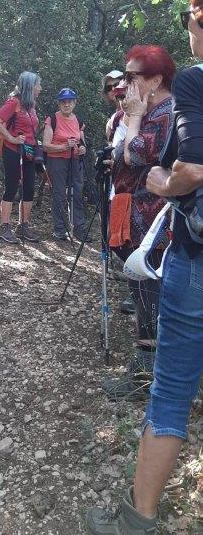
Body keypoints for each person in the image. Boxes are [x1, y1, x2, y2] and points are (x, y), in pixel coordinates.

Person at [86, 0, 203, 535]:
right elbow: (117, 152)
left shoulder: (183, 96)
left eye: (133, 74)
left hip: (177, 238)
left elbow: (150, 161)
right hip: (145, 223)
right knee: (145, 308)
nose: (125, 83)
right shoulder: (159, 105)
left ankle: (136, 525)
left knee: (172, 381)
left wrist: (155, 169)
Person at [104, 45, 175, 400]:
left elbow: (135, 153)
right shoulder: (150, 109)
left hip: (153, 216)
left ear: (156, 79)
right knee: (143, 290)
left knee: (148, 292)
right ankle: (145, 373)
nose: (126, 83)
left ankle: (146, 381)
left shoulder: (165, 112)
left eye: (132, 76)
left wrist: (132, 119)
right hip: (135, 209)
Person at [0, 71, 41, 244]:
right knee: (12, 186)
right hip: (13, 150)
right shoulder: (13, 102)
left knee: (29, 187)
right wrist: (12, 138)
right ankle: (4, 226)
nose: (40, 88)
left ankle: (23, 225)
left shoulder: (31, 105)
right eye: (38, 85)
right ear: (30, 86)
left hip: (29, 151)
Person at [43, 88, 88, 241]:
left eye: (69, 101)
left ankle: (79, 229)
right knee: (59, 194)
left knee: (77, 193)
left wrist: (83, 149)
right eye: (63, 102)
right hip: (56, 161)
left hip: (75, 160)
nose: (66, 104)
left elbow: (82, 142)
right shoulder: (52, 119)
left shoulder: (78, 121)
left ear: (74, 103)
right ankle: (60, 230)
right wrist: (64, 146)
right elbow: (45, 145)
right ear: (59, 103)